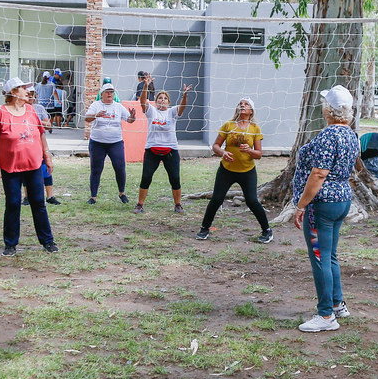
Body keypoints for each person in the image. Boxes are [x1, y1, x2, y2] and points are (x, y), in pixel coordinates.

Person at [291, 85, 361, 333]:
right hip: (341, 199)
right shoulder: (351, 134)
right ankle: (337, 303)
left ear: (328, 110)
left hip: (322, 203)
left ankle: (326, 315)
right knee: (329, 255)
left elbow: (319, 173)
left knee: (320, 257)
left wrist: (301, 205)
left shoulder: (328, 136)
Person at [0, 77, 57, 256]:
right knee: (13, 203)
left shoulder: (31, 110)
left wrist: (47, 156)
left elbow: (41, 134)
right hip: (10, 167)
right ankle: (10, 244)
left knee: (38, 203)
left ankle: (48, 241)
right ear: (13, 92)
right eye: (23, 88)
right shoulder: (0, 113)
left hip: (33, 165)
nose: (28, 91)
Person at [196, 97, 273, 243]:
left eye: (246, 104)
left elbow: (259, 154)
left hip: (247, 171)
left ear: (251, 111)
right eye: (240, 104)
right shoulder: (229, 125)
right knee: (217, 199)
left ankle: (267, 231)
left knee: (252, 201)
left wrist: (249, 150)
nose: (242, 105)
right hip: (227, 170)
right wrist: (223, 153)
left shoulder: (255, 128)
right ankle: (204, 228)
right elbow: (216, 146)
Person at [135, 77, 191, 213]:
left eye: (165, 98)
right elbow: (142, 101)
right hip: (152, 149)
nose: (162, 100)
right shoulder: (151, 111)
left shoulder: (172, 112)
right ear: (156, 101)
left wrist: (184, 95)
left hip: (170, 150)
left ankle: (178, 205)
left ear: (168, 102)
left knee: (175, 178)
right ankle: (140, 205)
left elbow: (182, 107)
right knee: (146, 177)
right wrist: (145, 86)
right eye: (160, 98)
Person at [84, 82, 136, 204]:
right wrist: (96, 115)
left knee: (120, 167)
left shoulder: (118, 106)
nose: (109, 94)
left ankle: (122, 193)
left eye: (111, 92)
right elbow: (87, 118)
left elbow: (129, 120)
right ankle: (93, 197)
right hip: (97, 142)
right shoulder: (96, 105)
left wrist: (133, 116)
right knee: (96, 169)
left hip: (115, 142)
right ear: (102, 94)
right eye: (107, 92)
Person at [23, 89, 60, 205]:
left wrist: (36, 121)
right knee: (25, 170)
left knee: (45, 169)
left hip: (39, 144)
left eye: (32, 95)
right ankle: (27, 197)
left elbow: (48, 125)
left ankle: (50, 196)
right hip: (25, 144)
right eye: (28, 95)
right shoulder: (20, 109)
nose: (30, 97)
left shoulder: (39, 108)